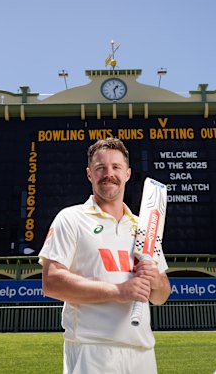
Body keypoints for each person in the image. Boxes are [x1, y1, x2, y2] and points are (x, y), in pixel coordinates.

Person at [38, 138, 171, 374]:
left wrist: (156, 280)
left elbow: (160, 296)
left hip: (142, 352)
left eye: (116, 167)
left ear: (128, 173)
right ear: (90, 174)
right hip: (92, 351)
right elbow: (52, 282)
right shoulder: (71, 218)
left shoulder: (143, 227)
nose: (109, 174)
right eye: (101, 168)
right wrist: (119, 292)